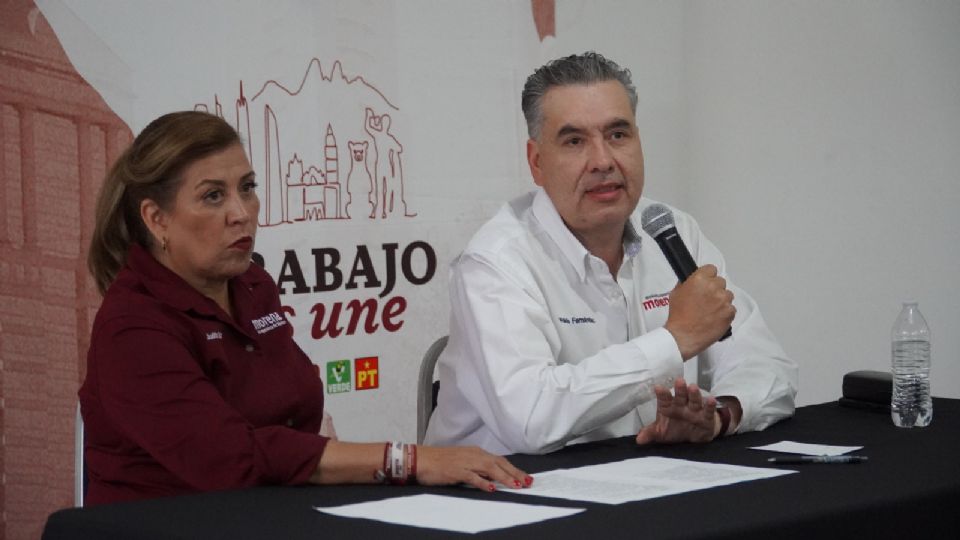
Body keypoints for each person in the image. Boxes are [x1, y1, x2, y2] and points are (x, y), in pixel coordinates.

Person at [80, 111, 530, 506]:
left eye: (248, 188)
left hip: (274, 512)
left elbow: (294, 415)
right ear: (156, 219)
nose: (242, 213)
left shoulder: (252, 284)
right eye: (213, 196)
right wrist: (408, 459)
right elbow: (234, 459)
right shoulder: (132, 327)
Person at [424, 52, 798, 455]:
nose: (603, 161)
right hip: (504, 495)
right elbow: (530, 420)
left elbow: (768, 367)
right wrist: (674, 341)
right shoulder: (496, 261)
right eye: (575, 141)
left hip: (645, 480)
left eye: (618, 135)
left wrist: (719, 416)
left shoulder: (673, 232)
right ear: (537, 162)